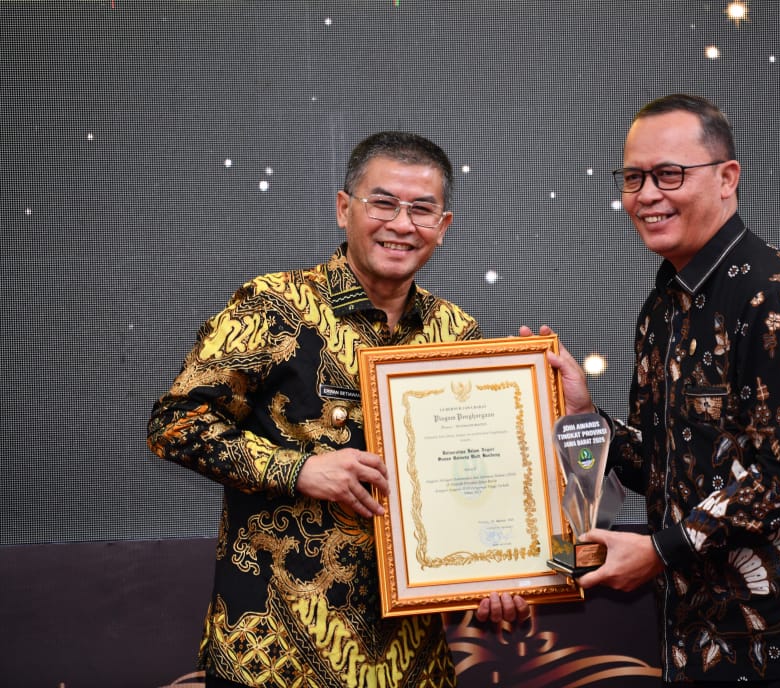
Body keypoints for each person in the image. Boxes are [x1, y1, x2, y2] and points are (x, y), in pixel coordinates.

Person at [525, 94, 780, 686]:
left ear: (727, 178)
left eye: (670, 174)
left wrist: (659, 551)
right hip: (694, 640)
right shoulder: (663, 308)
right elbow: (663, 467)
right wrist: (586, 415)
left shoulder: (774, 298)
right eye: (633, 177)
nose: (647, 195)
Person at [148, 130, 525, 688]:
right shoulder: (273, 306)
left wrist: (497, 572)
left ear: (443, 227)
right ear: (344, 209)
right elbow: (174, 424)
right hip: (272, 658)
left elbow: (474, 481)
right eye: (383, 203)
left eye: (422, 210)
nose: (402, 224)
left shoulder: (456, 332)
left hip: (413, 663)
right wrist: (299, 469)